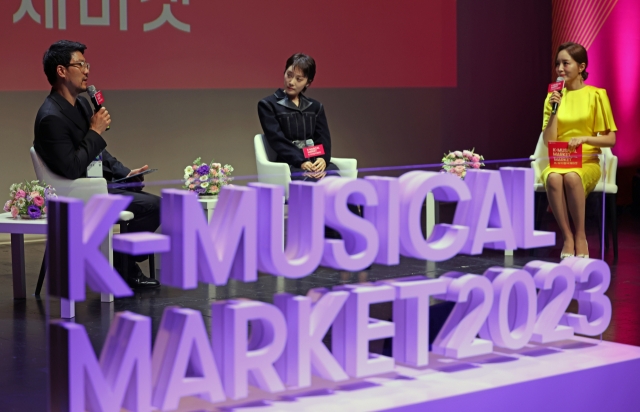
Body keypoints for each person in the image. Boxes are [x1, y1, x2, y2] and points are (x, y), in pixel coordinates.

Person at [33, 40, 160, 289]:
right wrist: (95, 132)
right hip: (75, 193)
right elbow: (70, 168)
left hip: (97, 185)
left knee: (149, 201)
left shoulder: (80, 104)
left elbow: (97, 153)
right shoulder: (51, 117)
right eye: (80, 65)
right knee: (152, 206)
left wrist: (125, 174)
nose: (87, 71)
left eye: (86, 64)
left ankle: (120, 264)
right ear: (61, 71)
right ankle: (121, 266)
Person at [542, 42, 617, 259]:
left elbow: (610, 139)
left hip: (587, 160)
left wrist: (585, 138)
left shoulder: (596, 95)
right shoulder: (553, 96)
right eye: (558, 64)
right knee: (554, 178)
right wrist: (555, 109)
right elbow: (548, 140)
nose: (560, 69)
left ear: (581, 66)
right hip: (559, 159)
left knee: (573, 178)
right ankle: (567, 236)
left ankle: (581, 235)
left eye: (566, 63)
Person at [257, 53, 340, 181]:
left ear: (308, 82)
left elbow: (323, 138)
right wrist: (301, 161)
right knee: (313, 183)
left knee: (340, 184)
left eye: (299, 79)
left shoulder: (316, 107)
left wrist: (322, 159)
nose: (291, 82)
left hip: (314, 161)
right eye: (289, 75)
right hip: (289, 163)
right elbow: (277, 140)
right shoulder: (268, 105)